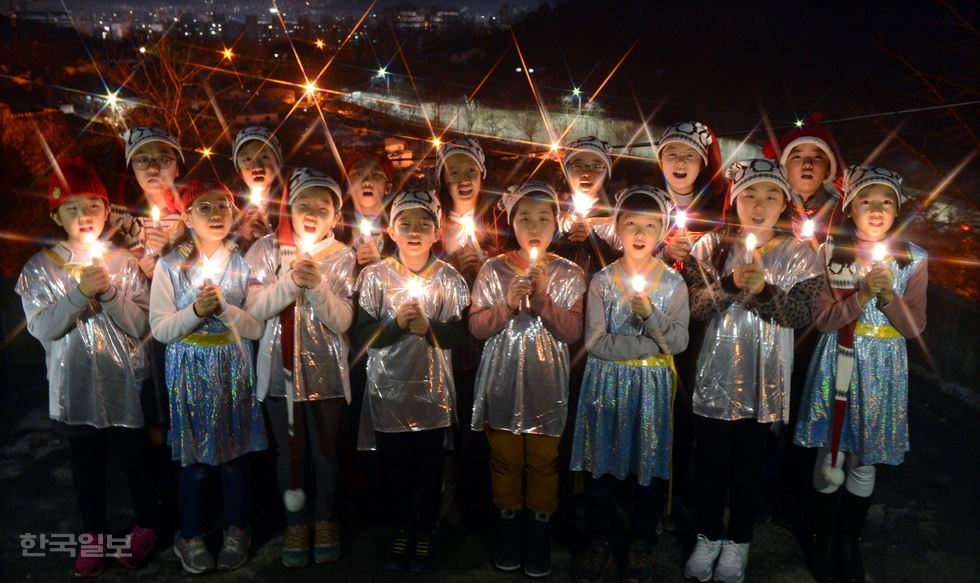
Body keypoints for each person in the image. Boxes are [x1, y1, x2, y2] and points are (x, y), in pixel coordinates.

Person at [17, 157, 158, 577]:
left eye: (93, 206)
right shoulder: (40, 268)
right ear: (56, 214)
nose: (84, 216)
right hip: (74, 385)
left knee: (136, 460)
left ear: (106, 210)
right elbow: (43, 328)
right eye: (73, 207)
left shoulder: (123, 263)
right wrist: (79, 293)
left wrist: (110, 291)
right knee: (86, 464)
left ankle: (147, 524)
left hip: (124, 381)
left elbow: (141, 325)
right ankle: (93, 534)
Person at [683, 160, 823, 583]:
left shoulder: (800, 254)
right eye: (749, 195)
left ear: (784, 203)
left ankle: (739, 541)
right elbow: (696, 305)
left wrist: (764, 290)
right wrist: (729, 285)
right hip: (715, 377)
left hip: (765, 382)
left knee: (750, 470)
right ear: (735, 200)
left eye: (770, 196)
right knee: (709, 467)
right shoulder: (710, 246)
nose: (759, 205)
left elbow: (800, 314)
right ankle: (708, 535)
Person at [794, 166, 926, 583]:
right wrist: (862, 296)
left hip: (885, 365)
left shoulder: (914, 259)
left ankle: (850, 543)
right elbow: (825, 320)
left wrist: (888, 297)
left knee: (864, 458)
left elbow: (914, 327)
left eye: (886, 201)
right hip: (842, 358)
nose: (876, 209)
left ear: (897, 209)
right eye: (866, 200)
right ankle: (821, 537)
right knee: (831, 454)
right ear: (851, 210)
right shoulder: (832, 253)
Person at [571, 185, 689, 583]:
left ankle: (641, 542)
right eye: (632, 224)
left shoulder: (673, 285)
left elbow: (678, 341)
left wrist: (652, 317)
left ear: (662, 232)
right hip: (605, 385)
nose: (640, 233)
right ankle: (599, 540)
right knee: (601, 465)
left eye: (651, 226)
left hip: (652, 389)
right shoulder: (603, 282)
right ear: (617, 228)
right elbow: (596, 342)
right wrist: (647, 345)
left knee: (648, 465)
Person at [149, 178, 267, 574]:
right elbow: (162, 330)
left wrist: (225, 312)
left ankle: (237, 528)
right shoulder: (170, 266)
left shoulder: (245, 263)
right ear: (186, 216)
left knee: (236, 458)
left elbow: (256, 327)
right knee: (196, 462)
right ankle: (191, 534)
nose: (216, 214)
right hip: (189, 370)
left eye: (223, 206)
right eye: (205, 207)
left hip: (234, 369)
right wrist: (197, 312)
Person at [469, 181, 586, 577]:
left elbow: (572, 332)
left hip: (546, 385)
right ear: (511, 223)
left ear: (556, 223)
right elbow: (477, 327)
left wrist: (542, 302)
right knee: (503, 459)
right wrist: (506, 305)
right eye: (524, 218)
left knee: (542, 462)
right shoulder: (493, 268)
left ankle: (538, 538)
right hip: (501, 382)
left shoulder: (570, 273)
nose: (533, 225)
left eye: (543, 217)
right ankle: (507, 533)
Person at [352, 189, 469, 574]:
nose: (415, 231)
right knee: (396, 468)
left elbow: (458, 335)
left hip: (432, 394)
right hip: (388, 392)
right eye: (406, 223)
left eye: (425, 223)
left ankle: (426, 529)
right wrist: (397, 325)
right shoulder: (374, 275)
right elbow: (363, 335)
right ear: (391, 229)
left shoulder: (448, 278)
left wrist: (428, 328)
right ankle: (401, 527)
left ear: (438, 232)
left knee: (429, 467)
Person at [245, 168, 356, 567]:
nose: (311, 213)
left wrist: (318, 286)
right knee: (287, 452)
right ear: (288, 207)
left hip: (325, 374)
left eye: (322, 207)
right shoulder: (265, 250)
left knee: (325, 452)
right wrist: (290, 284)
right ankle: (296, 521)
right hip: (279, 373)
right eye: (303, 204)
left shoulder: (343, 257)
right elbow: (255, 311)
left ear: (335, 216)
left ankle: (325, 518)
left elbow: (343, 320)